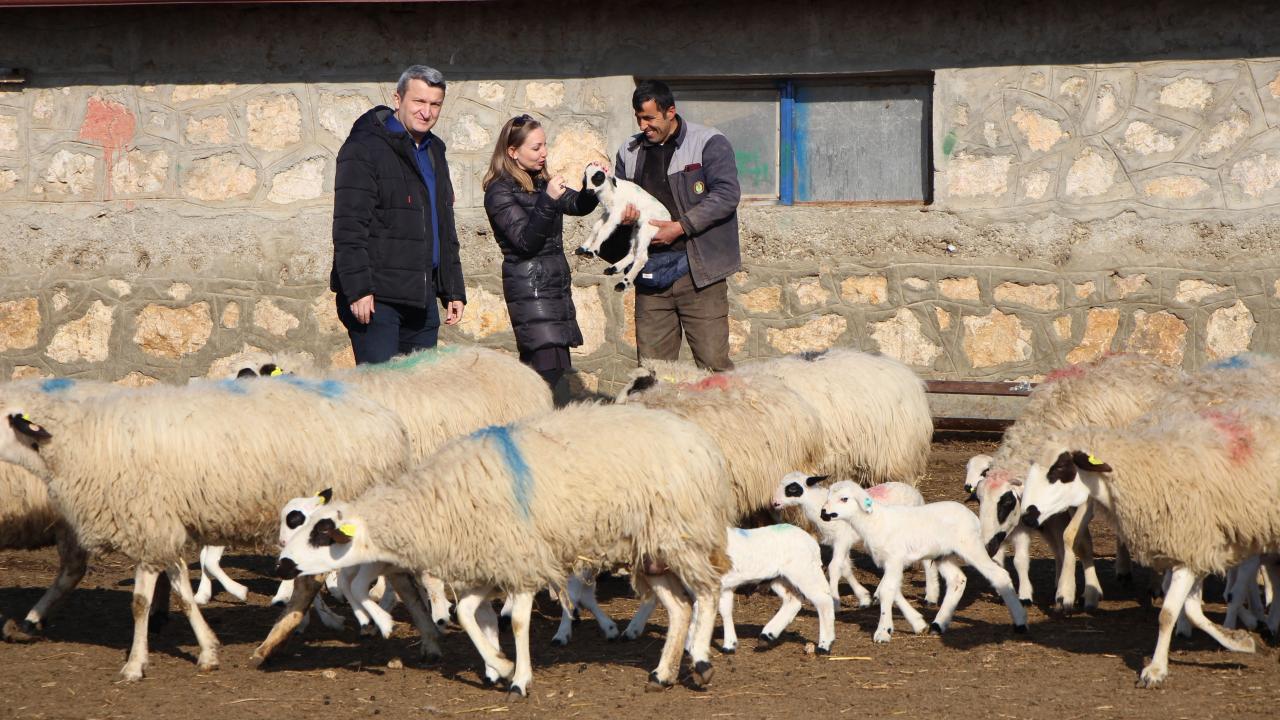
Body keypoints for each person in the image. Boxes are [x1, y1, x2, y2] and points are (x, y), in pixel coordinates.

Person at [330, 65, 466, 364]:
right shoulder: (363, 148)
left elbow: (444, 225)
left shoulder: (435, 151)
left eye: (435, 104)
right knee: (382, 395)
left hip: (422, 298)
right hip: (378, 301)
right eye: (419, 101)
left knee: (418, 400)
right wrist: (358, 290)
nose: (426, 112)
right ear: (398, 99)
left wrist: (452, 288)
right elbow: (349, 226)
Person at [614, 79, 741, 371]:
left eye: (649, 118)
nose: (643, 125)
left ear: (671, 111)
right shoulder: (629, 151)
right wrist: (624, 215)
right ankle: (662, 415)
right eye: (638, 118)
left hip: (699, 273)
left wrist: (680, 227)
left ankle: (719, 417)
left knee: (713, 365)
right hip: (651, 273)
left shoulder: (708, 142)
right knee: (653, 370)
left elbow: (727, 195)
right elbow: (619, 199)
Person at [483, 114, 599, 395]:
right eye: (536, 148)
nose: (544, 153)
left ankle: (529, 426)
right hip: (531, 291)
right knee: (543, 372)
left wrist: (592, 185)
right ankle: (523, 425)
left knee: (549, 371)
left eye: (544, 145)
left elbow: (577, 204)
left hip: (553, 289)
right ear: (513, 152)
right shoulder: (498, 191)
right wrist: (548, 199)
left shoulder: (538, 182)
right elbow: (525, 242)